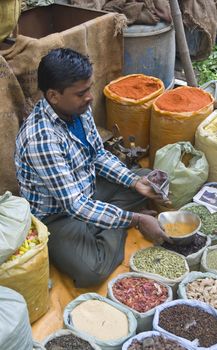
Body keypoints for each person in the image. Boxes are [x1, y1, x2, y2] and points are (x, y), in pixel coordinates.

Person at [15, 48, 170, 287]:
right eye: (81, 93)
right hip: (58, 215)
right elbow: (74, 205)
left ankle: (106, 220)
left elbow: (97, 154)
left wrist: (132, 181)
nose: (89, 97)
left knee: (147, 178)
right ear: (54, 96)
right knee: (92, 271)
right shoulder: (41, 138)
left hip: (87, 187)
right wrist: (135, 220)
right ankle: (117, 222)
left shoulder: (77, 109)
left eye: (89, 88)